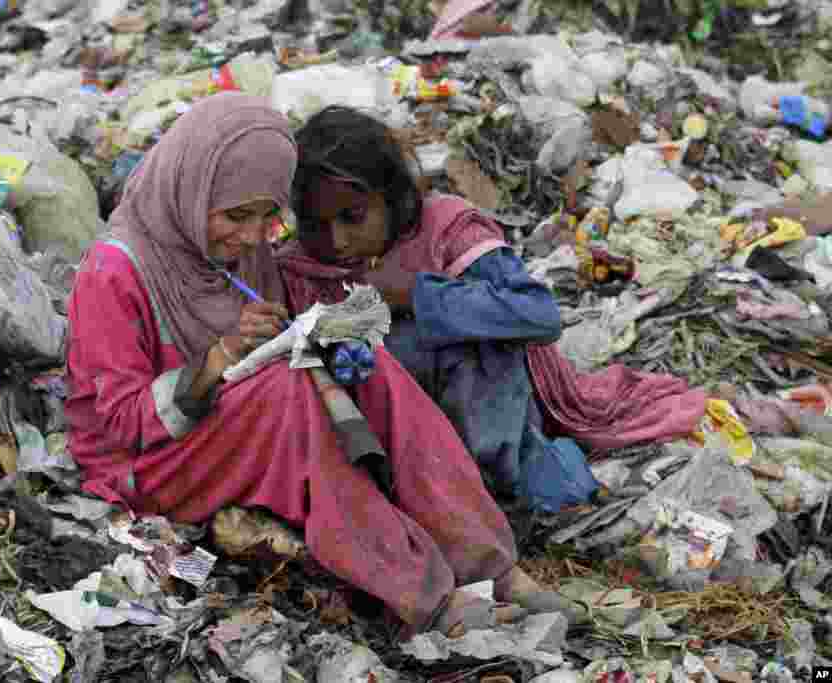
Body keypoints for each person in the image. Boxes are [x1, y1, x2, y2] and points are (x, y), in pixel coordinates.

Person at [64, 92, 553, 640]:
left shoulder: (238, 253)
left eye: (267, 216)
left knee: (366, 365)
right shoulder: (113, 274)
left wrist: (316, 337)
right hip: (150, 465)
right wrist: (221, 357)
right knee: (292, 396)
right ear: (189, 186)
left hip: (233, 427)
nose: (251, 236)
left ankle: (490, 563)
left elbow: (274, 352)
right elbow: (123, 425)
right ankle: (424, 596)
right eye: (235, 215)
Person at [278, 106, 710, 502]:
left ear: (390, 197)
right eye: (318, 223)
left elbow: (537, 314)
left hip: (489, 422)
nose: (337, 241)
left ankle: (501, 489)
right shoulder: (302, 265)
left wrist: (417, 295)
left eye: (352, 217)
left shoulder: (443, 229)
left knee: (476, 345)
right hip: (394, 438)